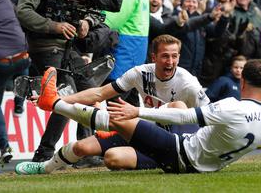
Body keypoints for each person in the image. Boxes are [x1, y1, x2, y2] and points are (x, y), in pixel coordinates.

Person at [15, 59, 261, 175]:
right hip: (196, 159)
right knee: (106, 133)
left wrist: (137, 110)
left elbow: (183, 119)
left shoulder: (231, 105)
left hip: (181, 152)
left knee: (120, 120)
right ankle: (46, 156)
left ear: (242, 81)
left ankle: (53, 103)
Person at [17, 35, 210, 172]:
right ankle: (45, 166)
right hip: (145, 130)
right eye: (165, 56)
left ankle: (166, 160)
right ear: (154, 57)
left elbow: (212, 115)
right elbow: (99, 93)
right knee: (82, 148)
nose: (170, 61)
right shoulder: (140, 73)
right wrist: (60, 99)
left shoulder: (188, 83)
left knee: (114, 157)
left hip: (176, 144)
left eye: (174, 56)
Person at [16, 0, 115, 163]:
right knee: (66, 96)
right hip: (45, 46)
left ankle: (86, 152)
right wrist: (54, 26)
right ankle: (43, 155)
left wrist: (87, 21)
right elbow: (23, 11)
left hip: (70, 48)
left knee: (91, 92)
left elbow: (96, 12)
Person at [0, 0, 30, 164]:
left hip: (2, 61)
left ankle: (5, 146)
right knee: (22, 65)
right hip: (23, 55)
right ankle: (19, 102)